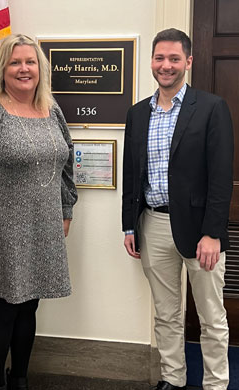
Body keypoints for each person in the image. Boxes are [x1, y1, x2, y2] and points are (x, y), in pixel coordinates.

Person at [0, 34, 78, 390]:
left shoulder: (51, 109)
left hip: (44, 227)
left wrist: (67, 207)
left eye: (31, 62)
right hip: (0, 231)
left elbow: (67, 161)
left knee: (29, 307)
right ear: (2, 69)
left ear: (41, 69)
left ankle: (19, 378)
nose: (24, 69)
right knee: (4, 310)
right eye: (15, 62)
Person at [122, 28, 233, 390]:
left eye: (173, 58)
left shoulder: (211, 108)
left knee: (211, 316)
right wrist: (129, 226)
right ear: (151, 62)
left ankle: (216, 383)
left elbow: (220, 176)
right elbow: (132, 173)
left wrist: (213, 232)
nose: (165, 65)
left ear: (188, 61)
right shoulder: (138, 113)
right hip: (153, 225)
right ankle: (173, 378)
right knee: (167, 315)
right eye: (159, 58)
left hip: (201, 230)